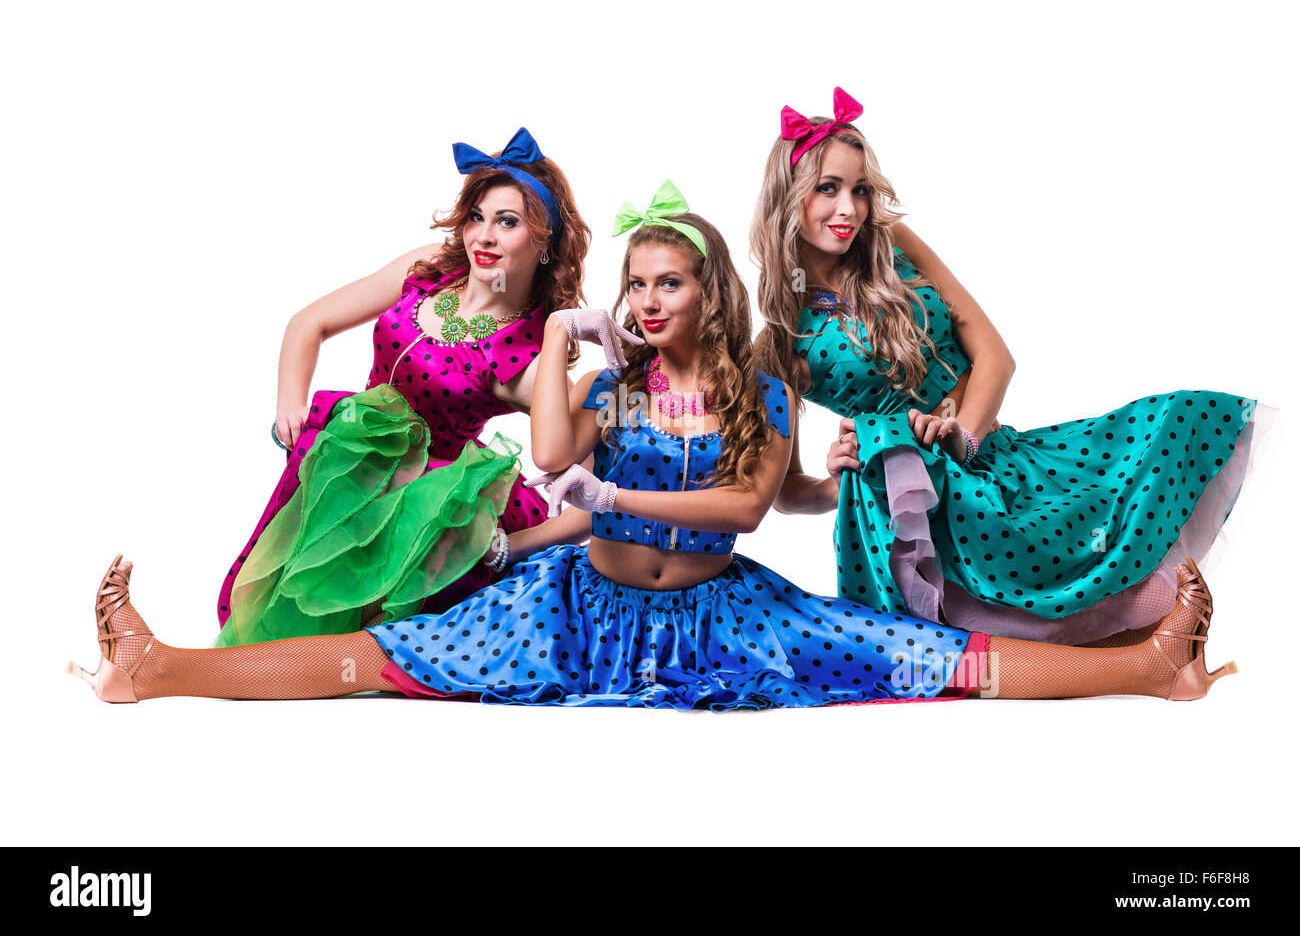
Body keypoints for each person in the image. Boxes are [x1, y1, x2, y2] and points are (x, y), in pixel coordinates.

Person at [68, 183, 1236, 706]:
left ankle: (1142, 668)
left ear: (708, 290)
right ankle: (160, 665)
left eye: (670, 279)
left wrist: (798, 494)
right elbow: (546, 457)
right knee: (383, 656)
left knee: (909, 662)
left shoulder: (757, 383)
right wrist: (571, 343)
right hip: (580, 605)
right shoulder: (609, 379)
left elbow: (741, 510)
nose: (652, 296)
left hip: (718, 617)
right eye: (636, 283)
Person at [751, 87, 1274, 645]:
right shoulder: (779, 347)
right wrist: (845, 480)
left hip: (989, 452)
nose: (850, 209)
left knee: (1179, 422)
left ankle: (1168, 653)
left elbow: (995, 356)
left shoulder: (893, 243)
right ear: (790, 197)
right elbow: (783, 493)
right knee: (1023, 638)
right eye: (827, 189)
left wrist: (963, 438)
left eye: (858, 189)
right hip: (918, 514)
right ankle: (1154, 658)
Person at [214, 127, 598, 647]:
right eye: (477, 217)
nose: (483, 236)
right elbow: (311, 322)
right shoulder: (430, 269)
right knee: (267, 620)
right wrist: (289, 405)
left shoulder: (528, 359)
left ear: (545, 240)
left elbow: (581, 455)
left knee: (345, 645)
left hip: (419, 511)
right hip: (346, 462)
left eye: (507, 223)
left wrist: (512, 541)